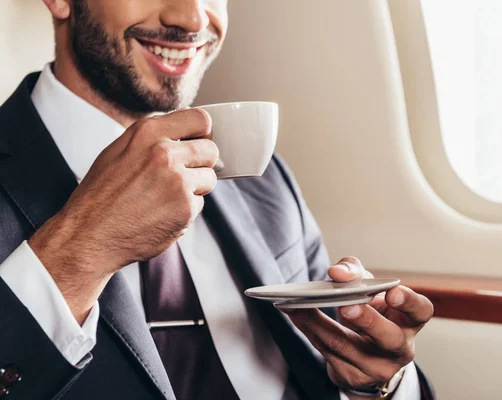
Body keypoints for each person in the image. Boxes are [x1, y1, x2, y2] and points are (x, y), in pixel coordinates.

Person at [0, 0, 435, 399]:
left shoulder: (264, 178)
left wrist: (375, 385)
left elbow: (335, 370)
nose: (192, 18)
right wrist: (82, 252)